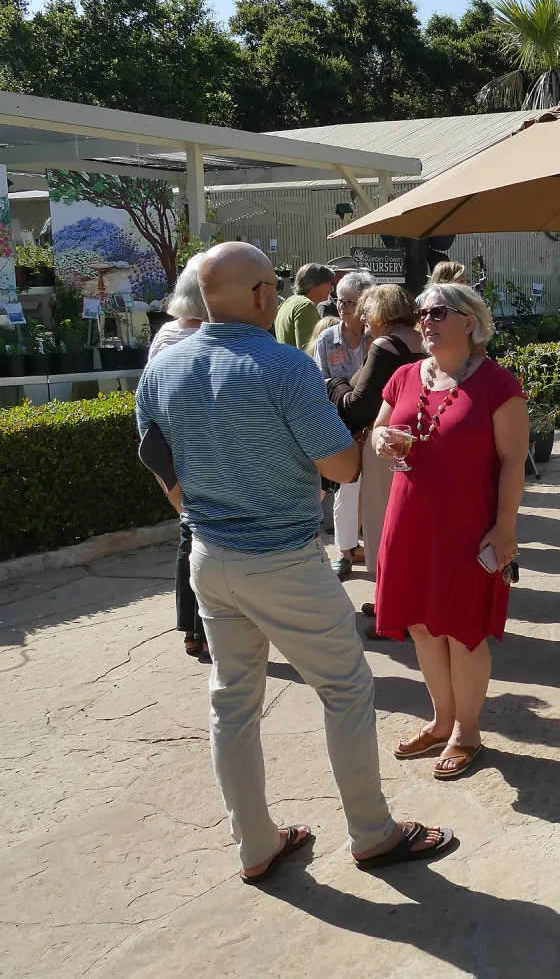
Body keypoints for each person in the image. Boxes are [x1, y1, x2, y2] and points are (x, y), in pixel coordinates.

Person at [134, 241, 453, 882]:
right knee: (347, 690)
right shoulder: (282, 365)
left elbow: (154, 455)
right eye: (271, 286)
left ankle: (255, 846)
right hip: (282, 559)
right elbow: (337, 466)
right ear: (256, 295)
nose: (276, 295)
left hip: (210, 558)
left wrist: (194, 512)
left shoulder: (162, 365)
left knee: (232, 702)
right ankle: (373, 832)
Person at [371, 281, 528, 779]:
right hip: (409, 520)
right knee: (420, 625)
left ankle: (467, 730)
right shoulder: (403, 376)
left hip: (466, 528)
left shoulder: (498, 385)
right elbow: (379, 427)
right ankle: (441, 721)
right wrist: (380, 439)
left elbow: (513, 463)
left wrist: (506, 528)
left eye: (439, 312)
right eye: (421, 313)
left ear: (469, 320)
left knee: (462, 632)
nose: (426, 321)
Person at [328, 283, 426, 612]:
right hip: (420, 442)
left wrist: (334, 383)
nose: (363, 317)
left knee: (385, 524)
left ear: (383, 313)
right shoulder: (425, 343)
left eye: (367, 310)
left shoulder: (385, 346)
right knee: (412, 527)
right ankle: (409, 600)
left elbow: (357, 405)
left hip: (387, 445)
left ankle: (391, 606)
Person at [149, 254, 209, 658]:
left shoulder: (166, 334)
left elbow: (149, 395)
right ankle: (203, 626)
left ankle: (190, 626)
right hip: (204, 446)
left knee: (190, 534)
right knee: (204, 536)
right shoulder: (208, 336)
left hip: (173, 445)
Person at [312, 272, 373, 579]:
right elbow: (318, 380)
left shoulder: (376, 339)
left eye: (350, 301)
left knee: (375, 489)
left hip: (374, 425)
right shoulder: (326, 339)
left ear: (365, 305)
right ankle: (345, 551)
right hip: (340, 424)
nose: (342, 306)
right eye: (339, 299)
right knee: (346, 489)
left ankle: (376, 550)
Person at [275, 262, 335, 350]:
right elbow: (307, 350)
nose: (331, 288)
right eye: (328, 283)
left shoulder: (288, 302)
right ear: (315, 284)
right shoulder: (305, 306)